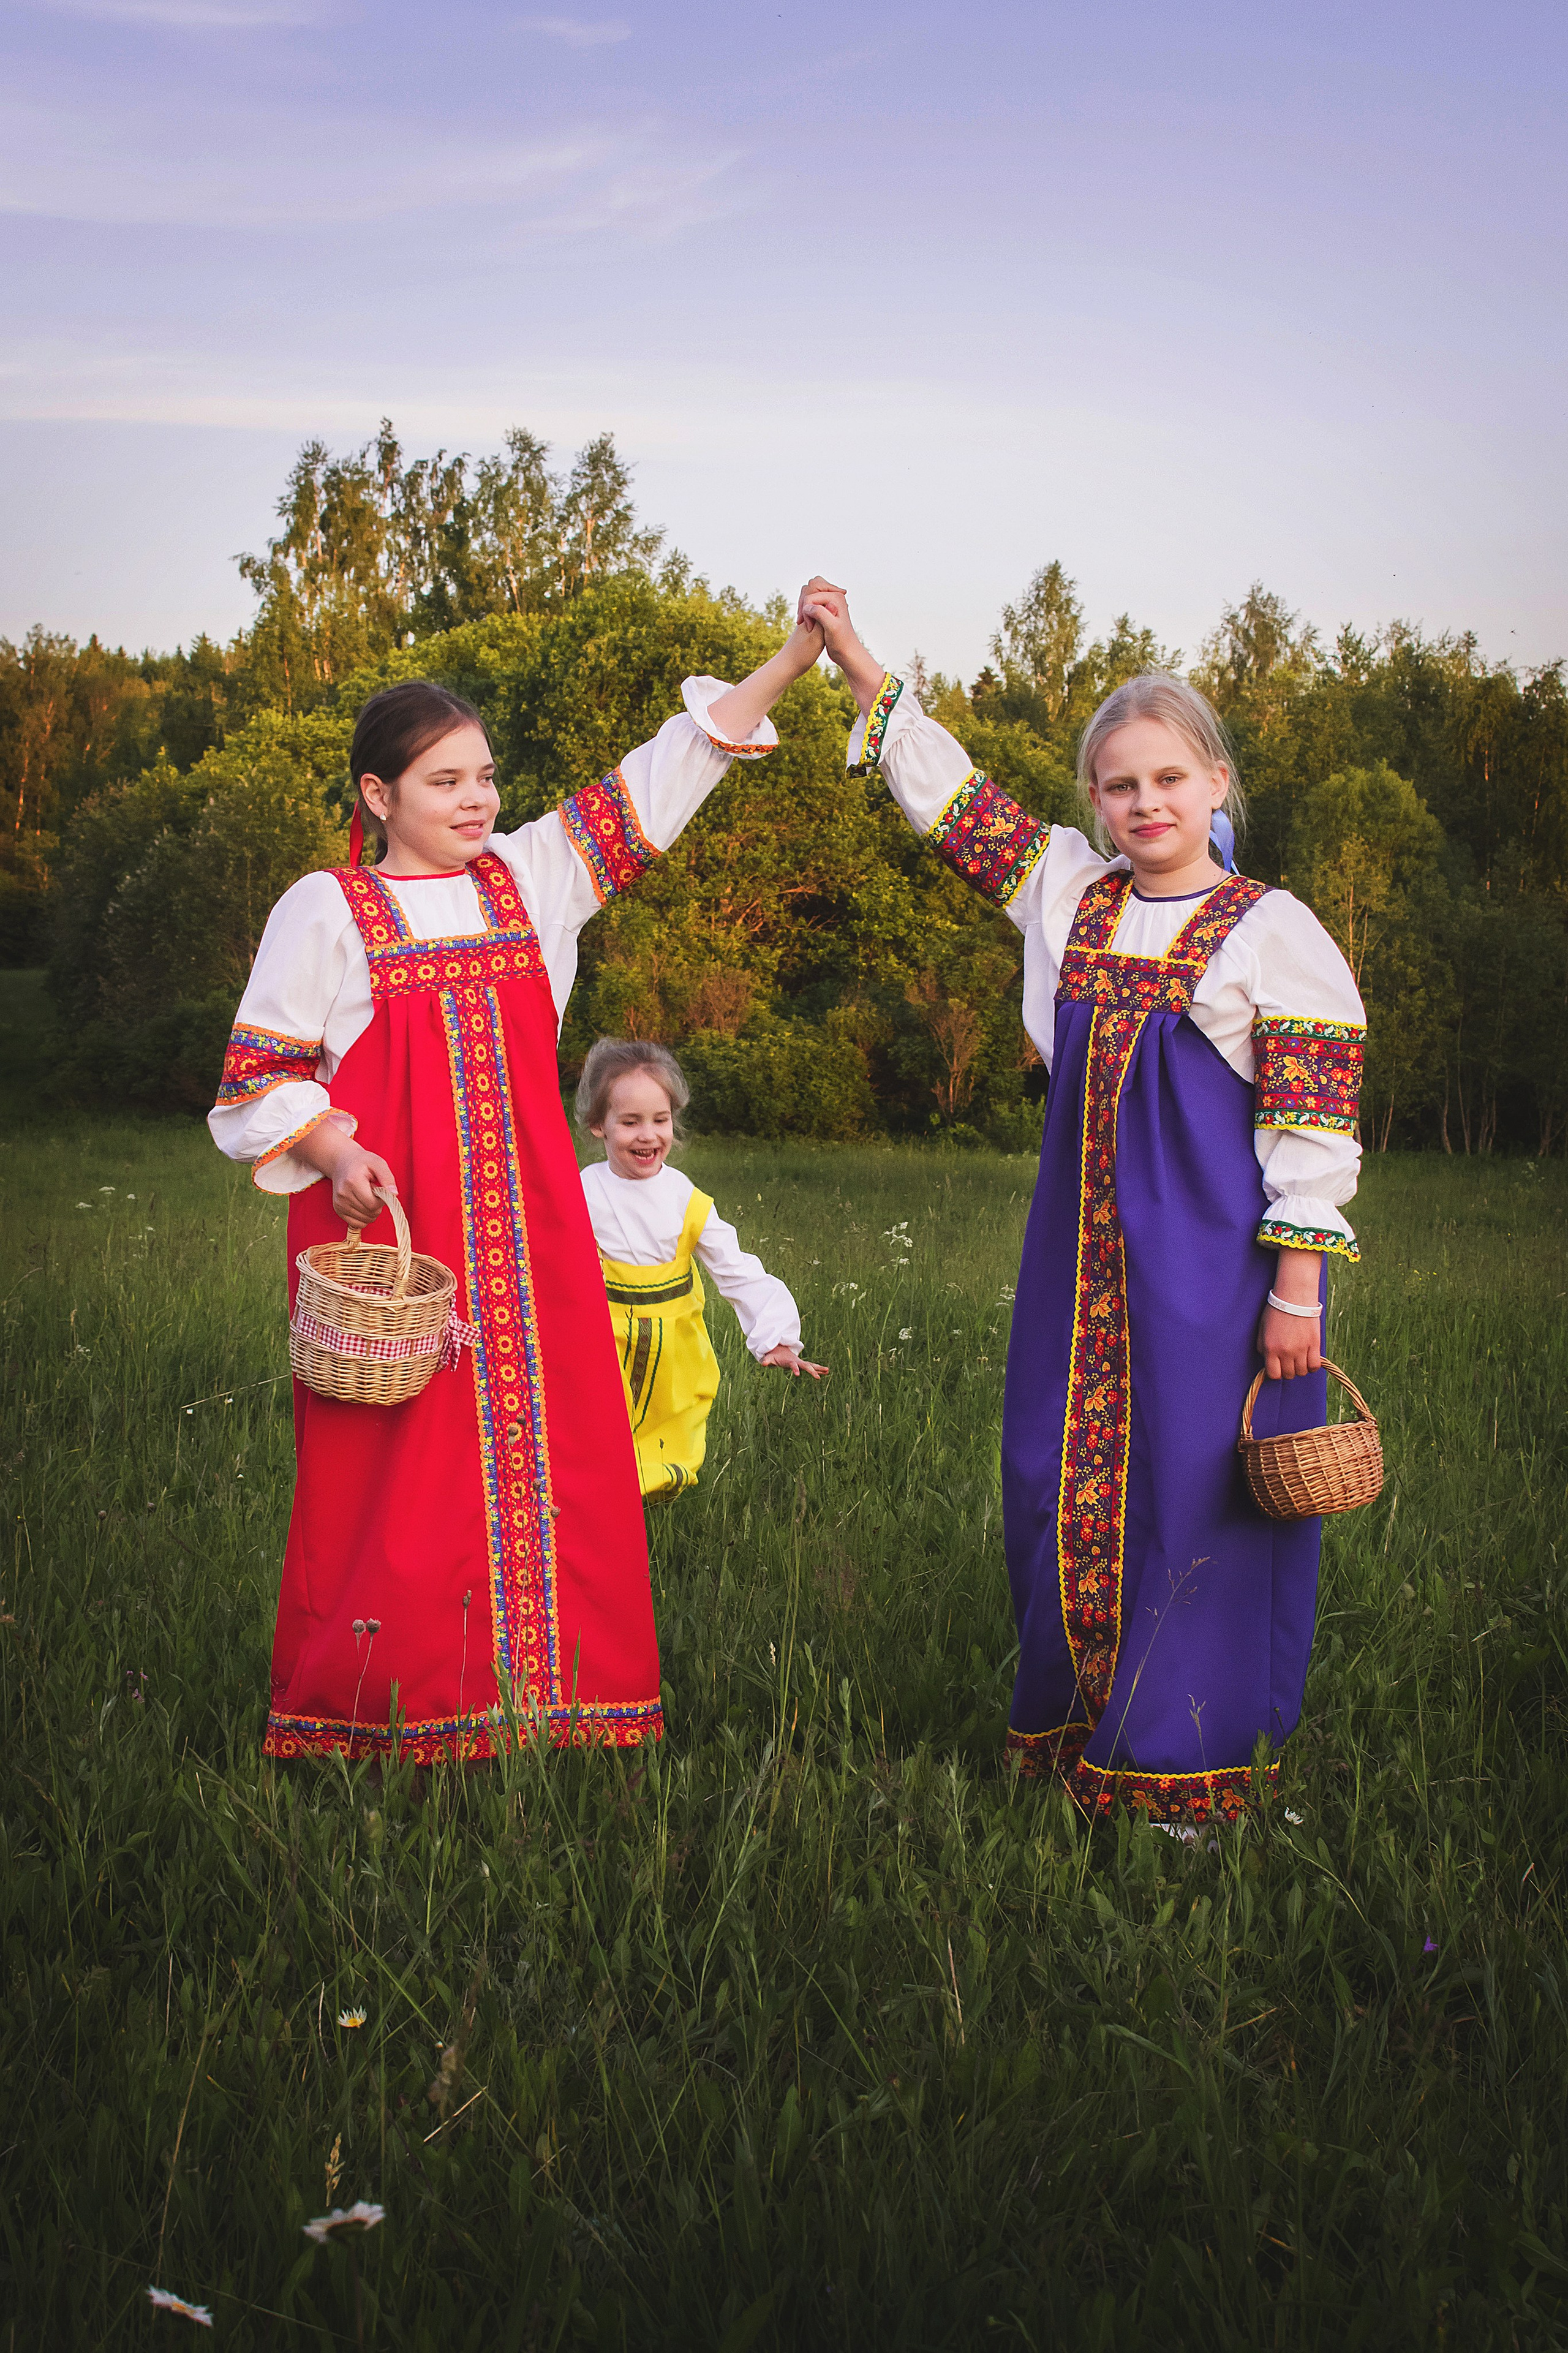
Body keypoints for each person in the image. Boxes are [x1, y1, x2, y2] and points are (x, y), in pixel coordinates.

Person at [209, 611, 826, 1763]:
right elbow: (261, 1078)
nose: (478, 798)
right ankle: (389, 1704)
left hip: (530, 1235)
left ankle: (555, 1700)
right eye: (446, 779)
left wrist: (789, 662)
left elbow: (662, 776)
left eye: (487, 775)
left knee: (558, 1452)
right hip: (398, 1233)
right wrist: (336, 1152)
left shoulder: (532, 878)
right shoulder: (327, 907)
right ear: (378, 794)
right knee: (396, 1471)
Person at [799, 579, 1365, 1826]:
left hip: (1218, 1266)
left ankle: (1188, 1764)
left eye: (1167, 779)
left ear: (1214, 784)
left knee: (1195, 1488)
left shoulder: (1269, 932)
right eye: (1117, 785)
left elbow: (1311, 1123)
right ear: (1094, 802)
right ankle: (1081, 1727)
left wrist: (1295, 1291)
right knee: (1055, 1473)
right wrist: (852, 659)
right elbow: (948, 799)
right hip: (1080, 1258)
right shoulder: (1067, 892)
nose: (1143, 803)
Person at [577, 1038, 827, 1498]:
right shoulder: (583, 1192)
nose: (648, 1135)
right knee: (598, 1432)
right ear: (599, 1125)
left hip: (676, 1349)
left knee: (671, 1433)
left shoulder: (684, 1198)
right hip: (603, 1339)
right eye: (630, 1122)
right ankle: (604, 1505)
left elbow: (735, 1268)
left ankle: (653, 1498)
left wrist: (774, 1337)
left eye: (660, 1119)